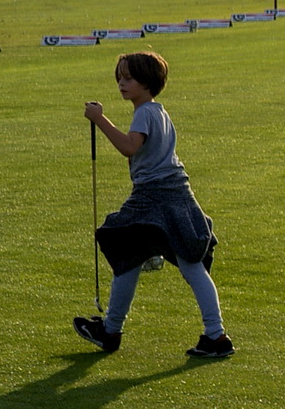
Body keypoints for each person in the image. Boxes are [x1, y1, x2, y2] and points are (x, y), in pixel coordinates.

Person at [74, 51, 233, 358]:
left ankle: (111, 330)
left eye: (129, 78)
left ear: (147, 82)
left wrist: (99, 119)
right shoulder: (158, 111)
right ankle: (215, 335)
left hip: (154, 195)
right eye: (120, 77)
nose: (122, 83)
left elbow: (128, 147)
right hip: (177, 192)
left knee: (125, 249)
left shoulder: (145, 113)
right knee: (183, 262)